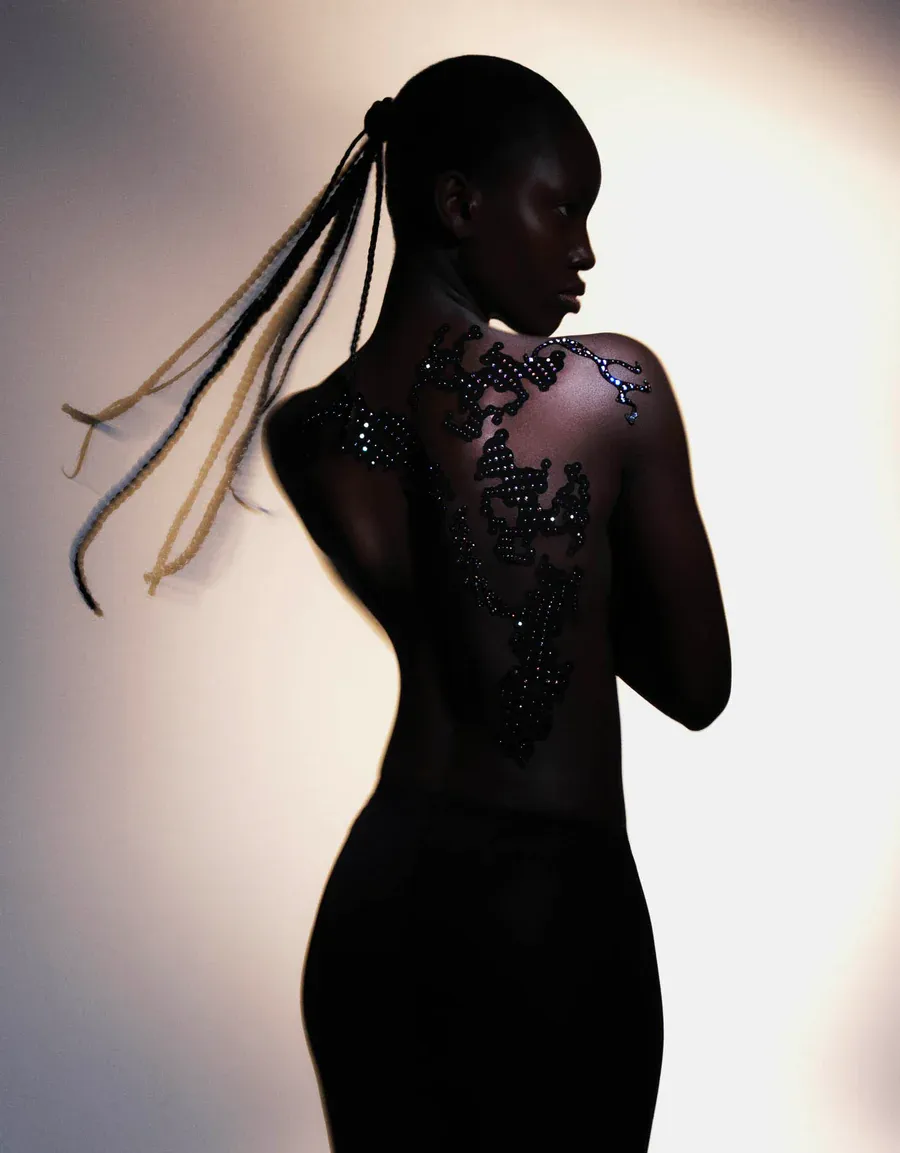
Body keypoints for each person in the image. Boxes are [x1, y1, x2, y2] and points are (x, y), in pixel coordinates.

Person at [62, 54, 731, 1153]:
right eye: (563, 207)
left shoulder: (307, 429)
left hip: (385, 900)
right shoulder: (611, 390)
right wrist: (578, 553)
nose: (584, 250)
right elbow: (697, 687)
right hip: (554, 914)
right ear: (460, 204)